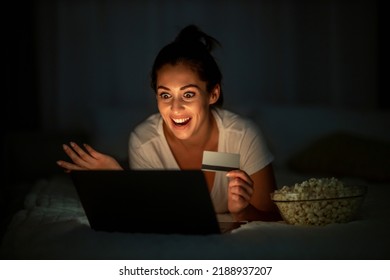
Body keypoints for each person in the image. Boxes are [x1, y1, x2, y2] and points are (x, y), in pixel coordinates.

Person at [57, 25, 280, 222]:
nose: (175, 108)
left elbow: (273, 215)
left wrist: (243, 212)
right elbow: (151, 216)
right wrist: (120, 181)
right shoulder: (144, 141)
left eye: (188, 94)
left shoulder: (242, 135)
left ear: (212, 94)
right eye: (165, 95)